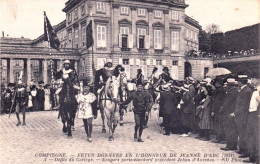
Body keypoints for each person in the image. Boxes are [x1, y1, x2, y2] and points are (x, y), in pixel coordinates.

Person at [55, 59, 80, 138]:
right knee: (56, 93)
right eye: (65, 64)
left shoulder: (71, 71)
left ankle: (77, 104)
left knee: (77, 91)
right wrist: (58, 80)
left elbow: (73, 78)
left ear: (69, 65)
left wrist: (68, 80)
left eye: (67, 64)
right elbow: (56, 76)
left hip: (70, 85)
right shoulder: (61, 71)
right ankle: (58, 104)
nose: (66, 65)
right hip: (63, 85)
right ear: (64, 65)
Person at [230, 75, 252, 158]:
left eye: (238, 81)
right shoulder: (243, 90)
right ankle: (242, 150)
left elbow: (243, 106)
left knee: (242, 134)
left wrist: (235, 113)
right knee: (240, 133)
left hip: (242, 117)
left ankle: (245, 152)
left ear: (241, 82)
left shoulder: (246, 91)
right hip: (240, 116)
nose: (237, 82)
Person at [220, 78, 239, 151]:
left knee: (228, 129)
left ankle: (229, 145)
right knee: (233, 129)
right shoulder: (236, 91)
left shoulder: (230, 93)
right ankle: (233, 145)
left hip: (228, 113)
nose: (226, 86)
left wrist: (222, 110)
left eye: (227, 85)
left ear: (230, 85)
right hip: (233, 112)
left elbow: (226, 104)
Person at [243, 85, 259, 163]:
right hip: (251, 114)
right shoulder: (254, 90)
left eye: (254, 78)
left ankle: (257, 159)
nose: (252, 81)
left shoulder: (258, 90)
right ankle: (252, 157)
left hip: (256, 115)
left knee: (257, 137)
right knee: (250, 136)